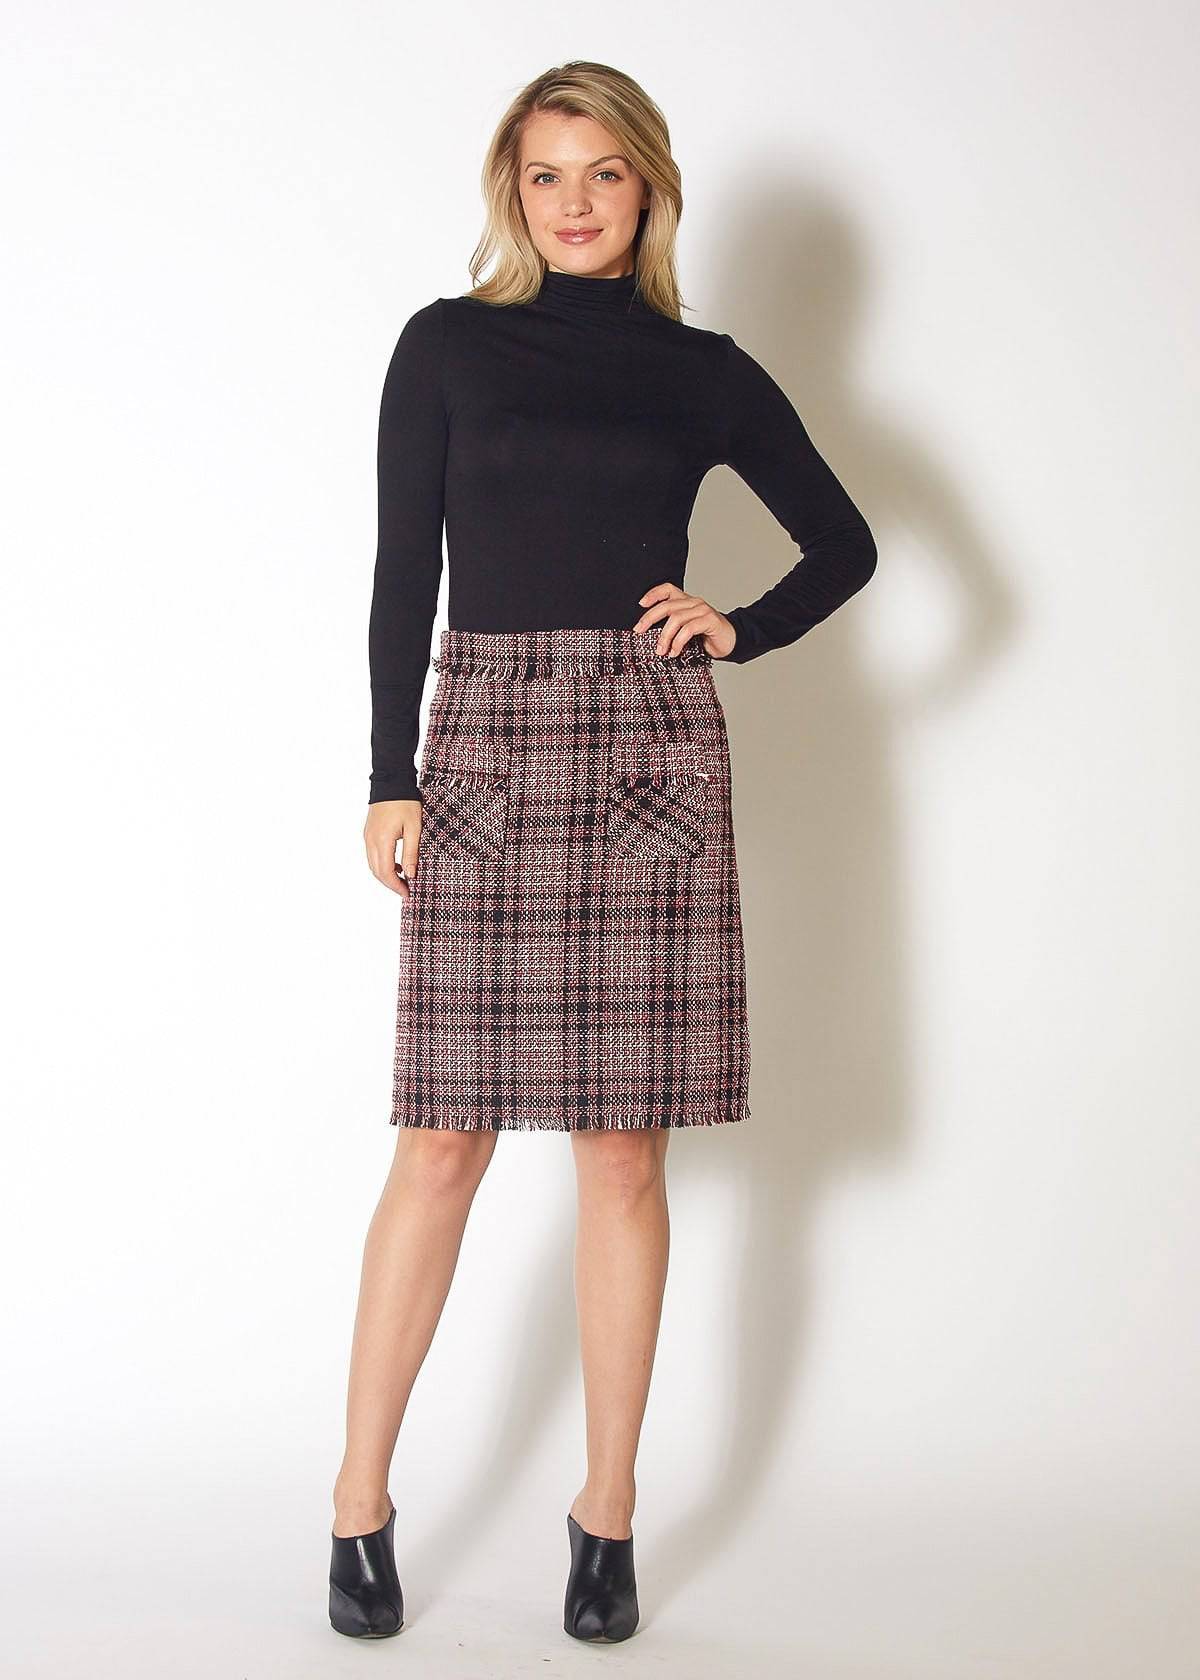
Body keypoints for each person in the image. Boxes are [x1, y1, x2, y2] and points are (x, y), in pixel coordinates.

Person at [329, 60, 877, 1644]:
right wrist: (388, 775)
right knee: (443, 1137)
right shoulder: (447, 346)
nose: (574, 202)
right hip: (482, 746)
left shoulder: (702, 371)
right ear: (514, 192)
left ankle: (607, 1515)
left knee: (625, 1150)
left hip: (646, 746)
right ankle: (358, 1502)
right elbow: (404, 572)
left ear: (649, 188)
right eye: (546, 174)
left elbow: (843, 543)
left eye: (604, 173)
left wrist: (737, 626)